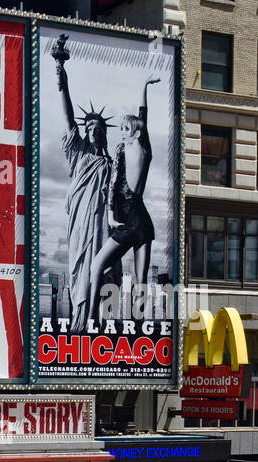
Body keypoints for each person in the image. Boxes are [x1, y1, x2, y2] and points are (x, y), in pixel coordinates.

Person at [50, 32, 116, 333]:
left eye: (97, 126)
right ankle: (79, 323)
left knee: (102, 269)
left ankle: (100, 324)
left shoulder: (110, 162)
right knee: (80, 267)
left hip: (103, 222)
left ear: (103, 131)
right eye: (88, 126)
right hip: (79, 221)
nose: (91, 129)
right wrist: (60, 70)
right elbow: (67, 115)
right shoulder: (77, 154)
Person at [89, 74, 163, 320]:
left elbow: (113, 185)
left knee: (97, 264)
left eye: (125, 128)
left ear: (134, 131)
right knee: (141, 280)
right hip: (143, 221)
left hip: (128, 222)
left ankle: (90, 321)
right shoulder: (146, 149)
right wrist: (143, 87)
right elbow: (145, 116)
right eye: (120, 128)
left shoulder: (123, 150)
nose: (121, 132)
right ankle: (139, 325)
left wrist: (110, 215)